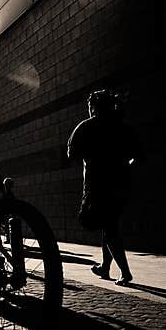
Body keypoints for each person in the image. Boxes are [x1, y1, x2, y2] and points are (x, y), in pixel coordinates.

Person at [67, 90, 144, 286]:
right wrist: (125, 165)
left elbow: (72, 155)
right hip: (122, 184)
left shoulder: (86, 127)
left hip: (97, 185)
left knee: (108, 227)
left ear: (93, 107)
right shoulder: (124, 128)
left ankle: (125, 273)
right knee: (110, 223)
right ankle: (105, 267)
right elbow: (139, 156)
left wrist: (91, 160)